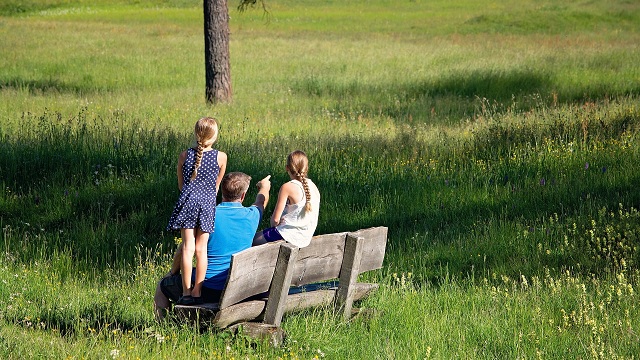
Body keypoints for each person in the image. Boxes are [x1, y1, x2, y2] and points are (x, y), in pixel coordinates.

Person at [155, 172, 271, 319]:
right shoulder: (252, 215)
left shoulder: (207, 216)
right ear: (242, 196)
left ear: (221, 191)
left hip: (208, 287)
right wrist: (264, 187)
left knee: (162, 286)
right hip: (238, 287)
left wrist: (172, 273)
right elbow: (261, 202)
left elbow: (185, 248)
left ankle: (163, 326)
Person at [166, 117, 227, 305]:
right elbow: (217, 186)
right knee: (202, 250)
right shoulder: (221, 157)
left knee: (187, 248)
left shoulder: (184, 155)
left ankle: (185, 292)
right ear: (214, 136)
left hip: (188, 202)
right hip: (207, 203)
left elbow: (181, 184)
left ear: (195, 133)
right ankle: (197, 291)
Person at [253, 150, 321, 248]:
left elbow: (275, 221)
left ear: (287, 168)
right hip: (304, 237)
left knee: (251, 241)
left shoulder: (287, 187)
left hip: (287, 234)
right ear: (306, 168)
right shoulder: (313, 186)